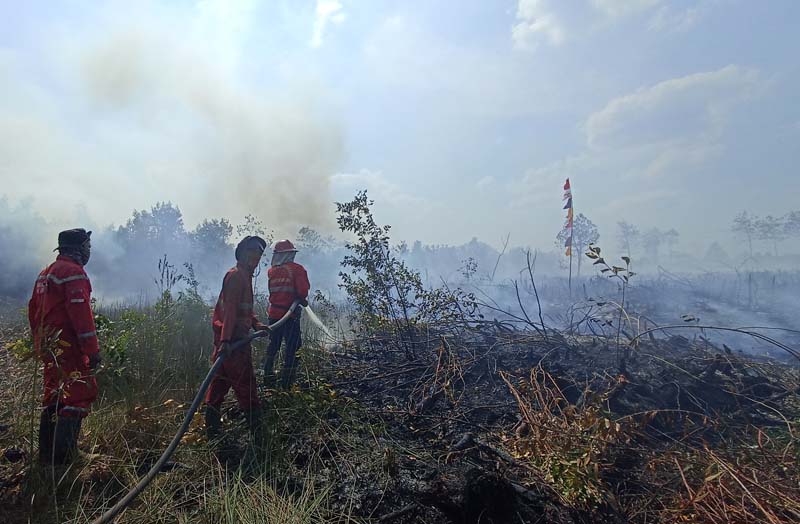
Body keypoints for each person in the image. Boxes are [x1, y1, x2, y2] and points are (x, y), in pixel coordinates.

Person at [28, 228, 101, 464]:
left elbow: (33, 311)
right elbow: (82, 317)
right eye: (88, 247)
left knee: (54, 396)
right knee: (78, 394)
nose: (89, 251)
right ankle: (66, 457)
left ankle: (46, 457)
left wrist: (40, 344)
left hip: (51, 347)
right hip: (69, 348)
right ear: (78, 249)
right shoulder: (73, 273)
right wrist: (92, 350)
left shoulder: (45, 272)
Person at [204, 236, 269, 441]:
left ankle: (212, 434)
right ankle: (259, 438)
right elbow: (230, 310)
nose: (256, 258)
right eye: (252, 253)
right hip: (232, 345)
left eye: (259, 254)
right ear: (242, 254)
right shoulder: (236, 276)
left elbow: (243, 310)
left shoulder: (244, 277)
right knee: (247, 388)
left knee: (217, 388)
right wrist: (225, 342)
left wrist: (256, 324)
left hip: (230, 343)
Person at [263, 239, 310, 389]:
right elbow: (302, 291)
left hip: (274, 314)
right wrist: (302, 300)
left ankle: (267, 375)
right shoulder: (297, 269)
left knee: (273, 344)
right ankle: (287, 381)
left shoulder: (271, 271)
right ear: (289, 254)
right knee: (294, 346)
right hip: (290, 316)